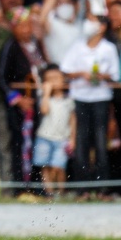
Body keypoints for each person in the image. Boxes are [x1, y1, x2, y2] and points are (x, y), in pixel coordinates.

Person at [58, 10, 119, 186]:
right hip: (81, 97)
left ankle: (102, 186)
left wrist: (102, 76)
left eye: (92, 21)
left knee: (101, 141)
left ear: (102, 27)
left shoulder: (108, 48)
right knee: (81, 140)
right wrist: (81, 74)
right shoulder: (78, 46)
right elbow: (66, 69)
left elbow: (115, 74)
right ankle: (81, 186)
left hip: (100, 97)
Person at [33, 67, 74, 196]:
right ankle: (49, 192)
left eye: (56, 78)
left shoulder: (69, 100)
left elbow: (73, 120)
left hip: (62, 138)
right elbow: (44, 110)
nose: (53, 82)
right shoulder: (44, 98)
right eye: (49, 80)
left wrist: (72, 138)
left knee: (59, 166)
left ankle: (61, 192)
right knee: (44, 166)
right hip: (44, 136)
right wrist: (46, 93)